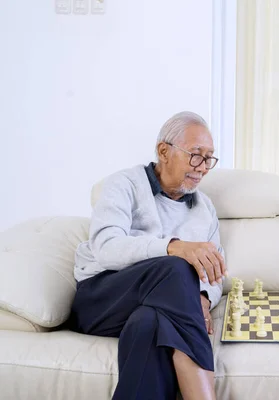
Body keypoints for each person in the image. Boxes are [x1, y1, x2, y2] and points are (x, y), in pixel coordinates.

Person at [69, 111, 227, 400]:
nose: (203, 167)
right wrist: (174, 247)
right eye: (195, 155)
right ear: (163, 151)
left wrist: (203, 298)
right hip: (103, 300)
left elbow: (215, 267)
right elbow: (106, 247)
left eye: (209, 158)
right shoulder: (123, 185)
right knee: (177, 269)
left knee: (149, 324)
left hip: (157, 308)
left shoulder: (205, 208)